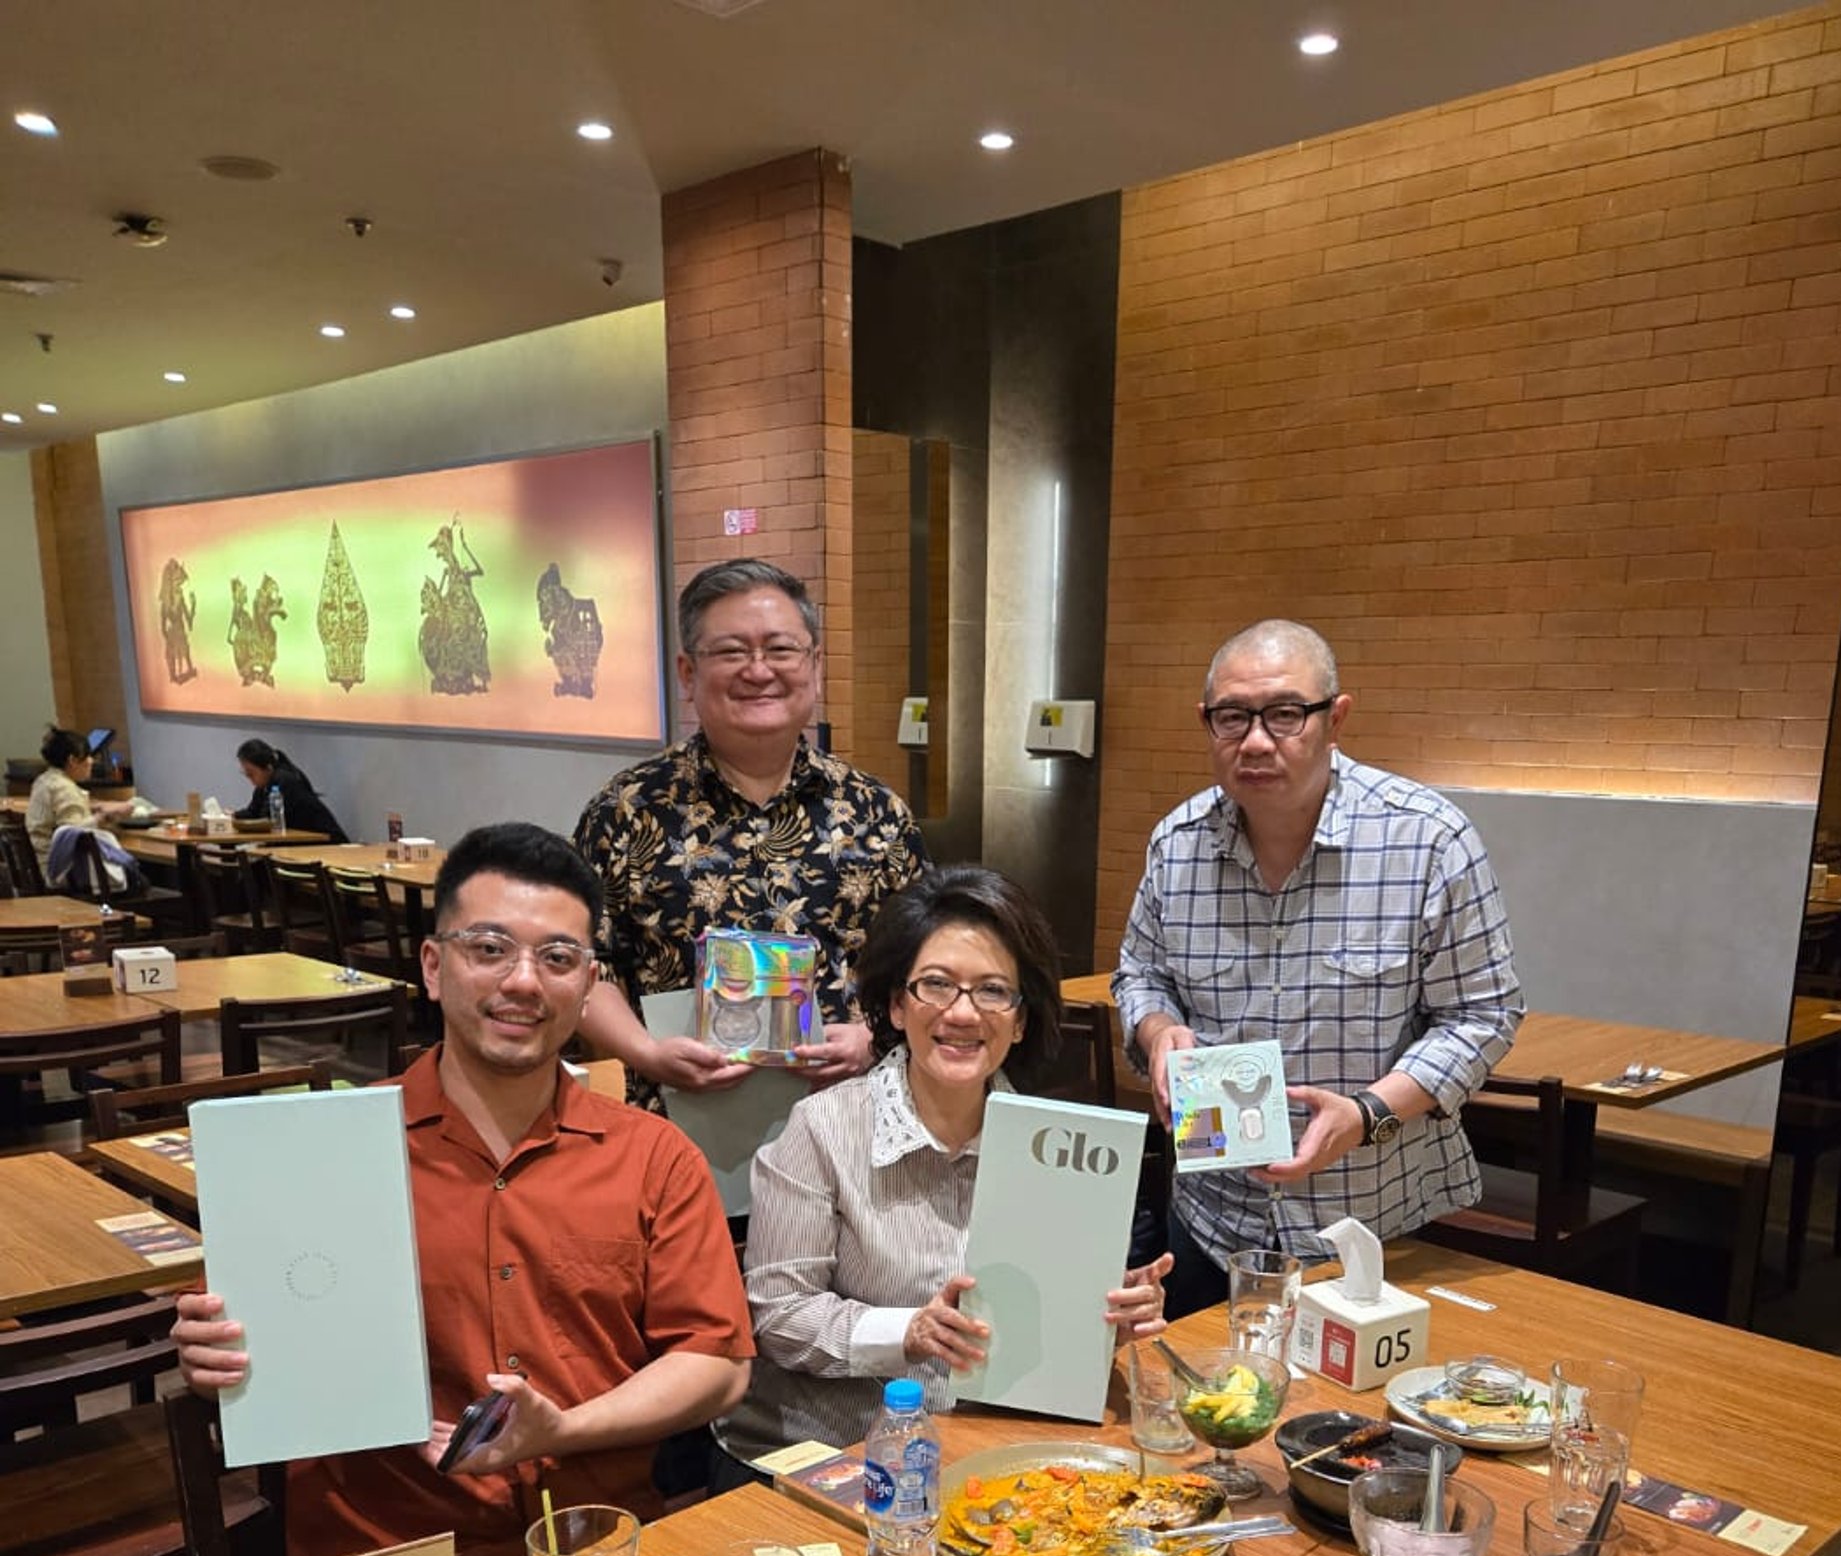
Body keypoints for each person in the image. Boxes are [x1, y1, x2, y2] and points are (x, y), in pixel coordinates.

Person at [172, 821, 755, 1556]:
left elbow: (717, 1364)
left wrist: (563, 1432)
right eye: (489, 949)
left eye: (556, 958)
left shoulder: (655, 1157)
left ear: (587, 987)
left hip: (594, 1552)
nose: (523, 982)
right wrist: (223, 1359)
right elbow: (270, 1354)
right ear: (433, 967)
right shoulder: (318, 1154)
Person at [1112, 619, 1523, 1317]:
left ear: (1336, 720)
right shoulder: (1177, 846)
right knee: (1212, 1410)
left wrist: (1366, 1115)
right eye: (1233, 717)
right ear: (1207, 723)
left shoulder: (1426, 841)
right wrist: (1157, 1032)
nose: (1256, 740)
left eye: (1284, 715)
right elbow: (1139, 974)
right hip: (1213, 1218)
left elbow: (1484, 1015)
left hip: (1370, 1221)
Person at [720, 866, 1173, 1459]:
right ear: (898, 1007)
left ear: (1020, 1021)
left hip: (991, 1443)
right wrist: (907, 1332)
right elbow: (780, 1316)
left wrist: (1110, 1312)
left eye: (992, 991)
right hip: (833, 1453)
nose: (962, 1013)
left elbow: (1046, 1330)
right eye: (936, 985)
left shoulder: (1062, 1149)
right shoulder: (824, 1129)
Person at [572, 558, 927, 1108]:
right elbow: (584, 965)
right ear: (687, 672)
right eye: (732, 651)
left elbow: (927, 962)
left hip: (849, 1125)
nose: (759, 670)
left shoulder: (876, 814)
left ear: (814, 665)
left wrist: (873, 1038)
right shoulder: (625, 813)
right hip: (678, 1123)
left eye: (781, 650)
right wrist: (645, 1051)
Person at [25, 726, 130, 874]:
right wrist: (102, 817)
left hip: (44, 865)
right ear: (72, 760)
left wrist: (95, 807)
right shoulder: (63, 788)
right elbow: (72, 835)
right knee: (137, 877)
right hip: (65, 872)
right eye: (87, 756)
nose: (91, 761)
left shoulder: (44, 780)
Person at [233, 738, 349, 843]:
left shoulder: (286, 780)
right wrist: (231, 816)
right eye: (246, 773)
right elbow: (253, 812)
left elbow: (267, 820)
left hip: (325, 842)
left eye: (251, 773)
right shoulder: (264, 786)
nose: (249, 778)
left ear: (268, 768)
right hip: (300, 844)